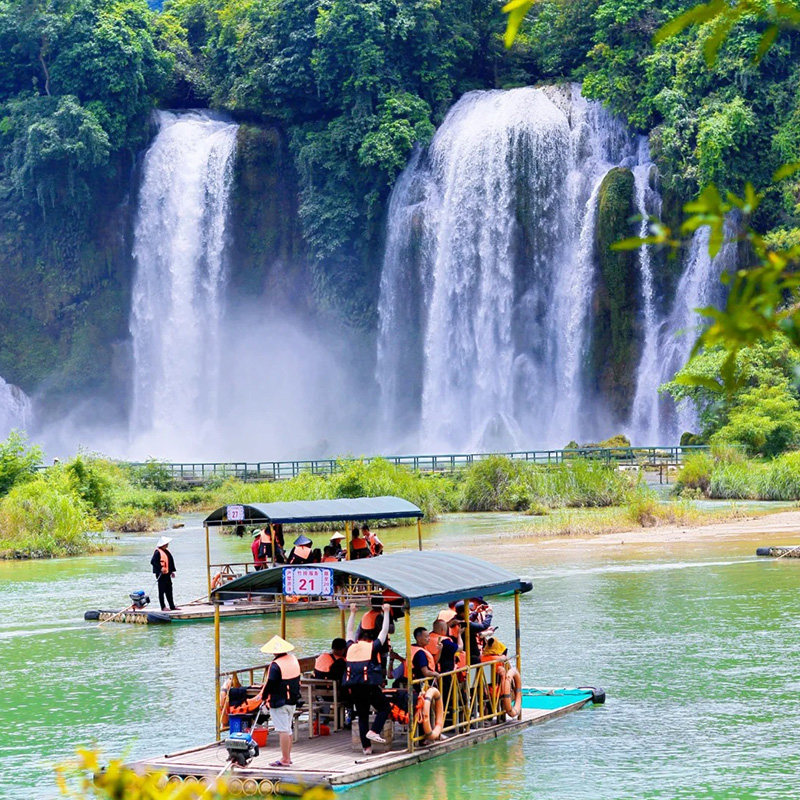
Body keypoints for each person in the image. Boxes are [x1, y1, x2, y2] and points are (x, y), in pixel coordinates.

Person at [343, 602, 392, 755]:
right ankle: (375, 731)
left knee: (362, 714)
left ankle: (366, 748)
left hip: (354, 688)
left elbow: (349, 630)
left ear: (359, 639)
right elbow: (384, 631)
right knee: (385, 708)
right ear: (371, 639)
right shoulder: (372, 647)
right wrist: (387, 612)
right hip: (368, 686)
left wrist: (352, 612)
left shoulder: (350, 647)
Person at [258, 635, 301, 767]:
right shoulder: (293, 659)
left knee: (282, 730)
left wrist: (264, 697)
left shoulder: (275, 665)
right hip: (292, 700)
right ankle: (288, 756)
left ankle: (285, 759)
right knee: (288, 729)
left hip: (279, 702)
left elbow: (270, 683)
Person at [150, 536, 178, 611]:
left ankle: (172, 606)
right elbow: (153, 562)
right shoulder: (157, 552)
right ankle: (163, 607)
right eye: (166, 544)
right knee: (161, 591)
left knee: (169, 590)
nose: (167, 545)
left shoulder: (166, 552)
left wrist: (172, 571)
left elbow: (170, 562)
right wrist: (160, 568)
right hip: (161, 575)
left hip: (167, 574)